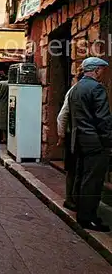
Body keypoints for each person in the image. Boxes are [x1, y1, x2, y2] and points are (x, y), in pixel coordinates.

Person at [69, 57, 112, 232]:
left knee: (82, 176)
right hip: (95, 142)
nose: (103, 73)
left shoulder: (75, 88)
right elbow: (103, 119)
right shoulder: (96, 88)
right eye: (102, 70)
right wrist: (108, 142)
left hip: (79, 140)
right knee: (93, 180)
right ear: (95, 70)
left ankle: (80, 210)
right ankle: (88, 218)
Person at [57, 67, 83, 212]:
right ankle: (72, 199)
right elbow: (63, 116)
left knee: (73, 169)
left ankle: (72, 198)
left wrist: (61, 135)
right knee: (74, 169)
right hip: (74, 137)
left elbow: (62, 116)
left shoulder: (74, 90)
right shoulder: (74, 91)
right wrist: (61, 135)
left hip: (73, 136)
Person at [0, 75, 9, 144]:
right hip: (9, 104)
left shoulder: (1, 84)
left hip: (2, 104)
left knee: (2, 121)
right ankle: (7, 138)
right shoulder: (10, 83)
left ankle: (4, 138)